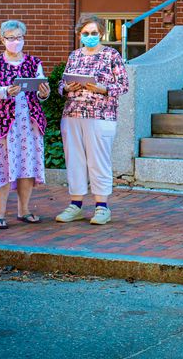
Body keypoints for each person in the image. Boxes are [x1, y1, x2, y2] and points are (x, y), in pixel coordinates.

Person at [55, 14, 129, 225]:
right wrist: (67, 87)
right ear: (79, 34)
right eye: (85, 33)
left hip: (101, 116)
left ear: (101, 34)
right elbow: (61, 85)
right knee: (75, 160)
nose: (90, 36)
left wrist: (103, 88)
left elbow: (123, 85)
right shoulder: (74, 56)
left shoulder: (111, 55)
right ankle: (75, 205)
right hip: (72, 114)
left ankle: (102, 207)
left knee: (99, 161)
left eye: (94, 33)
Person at [0, 20, 50, 229]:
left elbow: (40, 87)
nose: (16, 41)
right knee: (2, 166)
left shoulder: (32, 62)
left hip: (28, 124)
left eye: (19, 37)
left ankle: (24, 210)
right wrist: (5, 92)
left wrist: (43, 93)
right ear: (3, 39)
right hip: (2, 124)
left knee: (27, 165)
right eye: (11, 38)